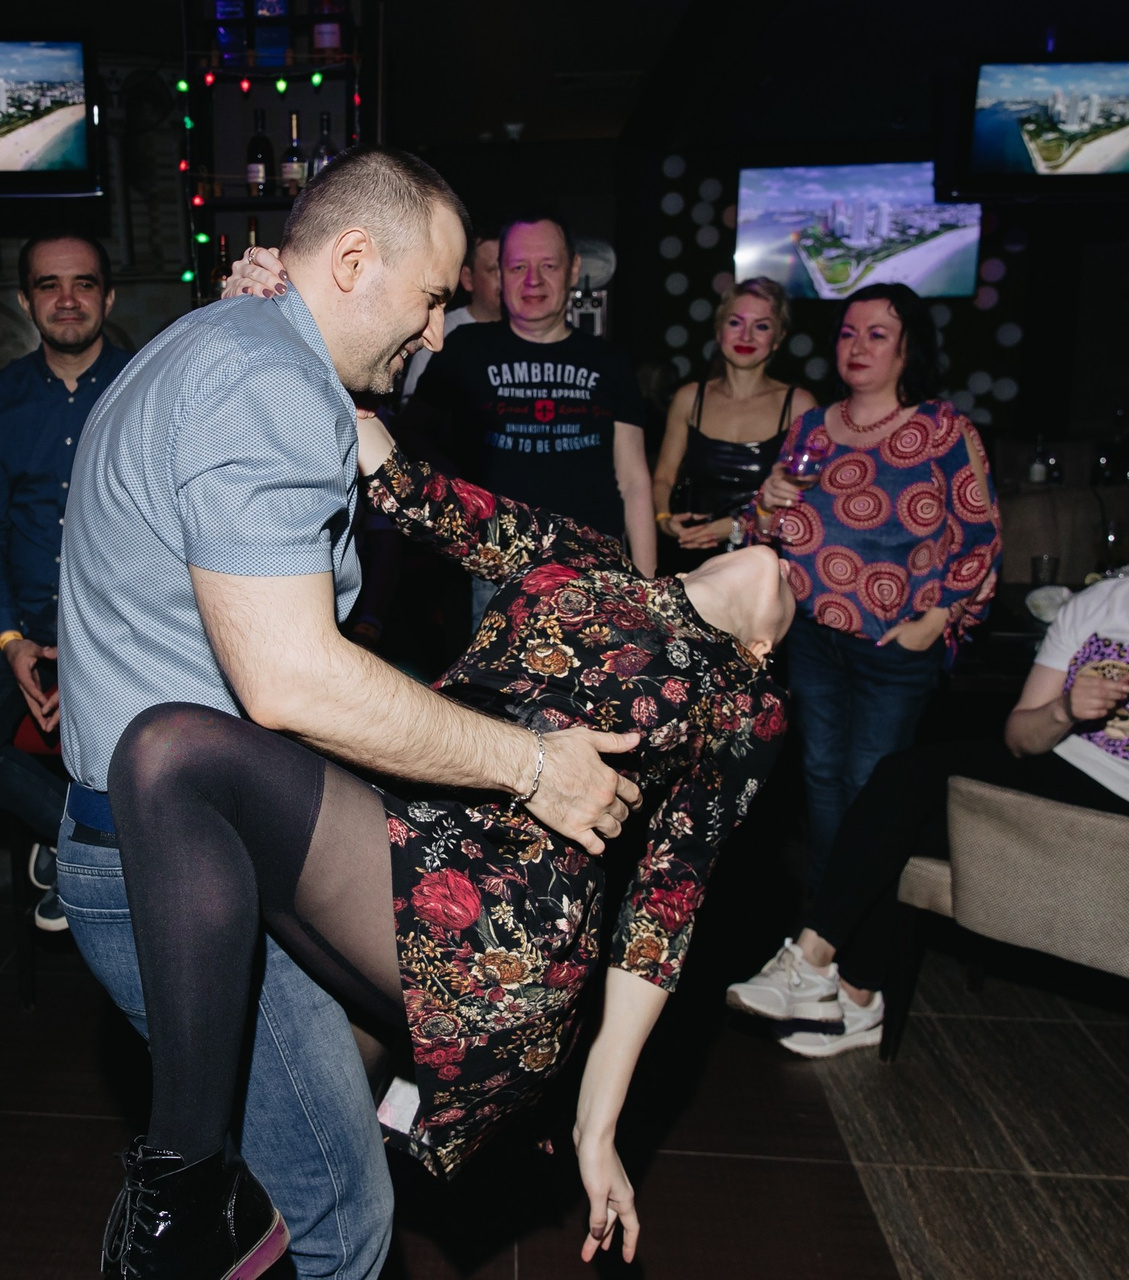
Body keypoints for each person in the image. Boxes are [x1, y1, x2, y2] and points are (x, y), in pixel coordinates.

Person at [58, 147, 640, 1280]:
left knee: (330, 1126)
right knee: (337, 1218)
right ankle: (186, 1198)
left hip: (193, 850)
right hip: (176, 872)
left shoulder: (228, 345)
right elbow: (288, 678)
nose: (436, 332)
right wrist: (534, 766)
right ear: (355, 258)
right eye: (429, 298)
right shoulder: (264, 379)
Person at [110, 404, 796, 1274]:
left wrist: (598, 1124)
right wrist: (309, 357)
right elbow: (427, 496)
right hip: (395, 828)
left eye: (794, 584)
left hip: (508, 919)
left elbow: (666, 907)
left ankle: (181, 1192)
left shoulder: (746, 701)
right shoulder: (591, 556)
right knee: (305, 1173)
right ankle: (224, 1207)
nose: (782, 560)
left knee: (171, 749)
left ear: (764, 644)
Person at [732, 457, 1129, 1130]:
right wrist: (1067, 709)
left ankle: (837, 980)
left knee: (907, 796)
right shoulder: (1100, 602)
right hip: (1064, 777)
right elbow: (1021, 737)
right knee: (903, 786)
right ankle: (833, 978)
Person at [752, 282, 1001, 888]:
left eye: (877, 334)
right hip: (813, 637)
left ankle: (856, 920)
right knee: (819, 774)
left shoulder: (942, 429)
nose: (858, 346)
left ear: (909, 348)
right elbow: (769, 529)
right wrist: (766, 505)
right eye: (847, 333)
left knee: (870, 780)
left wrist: (937, 621)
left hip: (895, 646)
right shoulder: (813, 427)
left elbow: (981, 535)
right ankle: (822, 915)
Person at [0, 233, 131, 933]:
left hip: (118, 620)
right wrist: (10, 640)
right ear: (25, 300)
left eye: (83, 283)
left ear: (108, 297)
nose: (67, 299)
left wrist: (94, 651)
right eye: (49, 285)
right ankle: (78, 843)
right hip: (21, 615)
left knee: (147, 749)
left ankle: (103, 870)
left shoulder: (144, 384)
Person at [404, 214, 658, 627]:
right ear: (500, 275)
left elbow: (634, 480)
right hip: (498, 562)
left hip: (593, 563)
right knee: (496, 672)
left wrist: (649, 591)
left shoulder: (609, 361)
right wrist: (459, 491)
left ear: (573, 269)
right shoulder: (465, 348)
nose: (533, 280)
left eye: (548, 265)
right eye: (518, 266)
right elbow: (411, 431)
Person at [652, 277, 817, 571]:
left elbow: (807, 498)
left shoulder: (799, 405)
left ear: (778, 338)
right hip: (690, 556)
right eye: (735, 323)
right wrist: (665, 520)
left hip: (762, 562)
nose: (746, 336)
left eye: (761, 326)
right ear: (719, 331)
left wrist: (737, 526)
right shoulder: (690, 398)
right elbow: (664, 476)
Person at [400, 233, 500, 399]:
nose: (504, 277)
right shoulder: (440, 332)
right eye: (493, 269)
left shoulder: (529, 332)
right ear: (467, 278)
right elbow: (411, 402)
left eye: (512, 267)